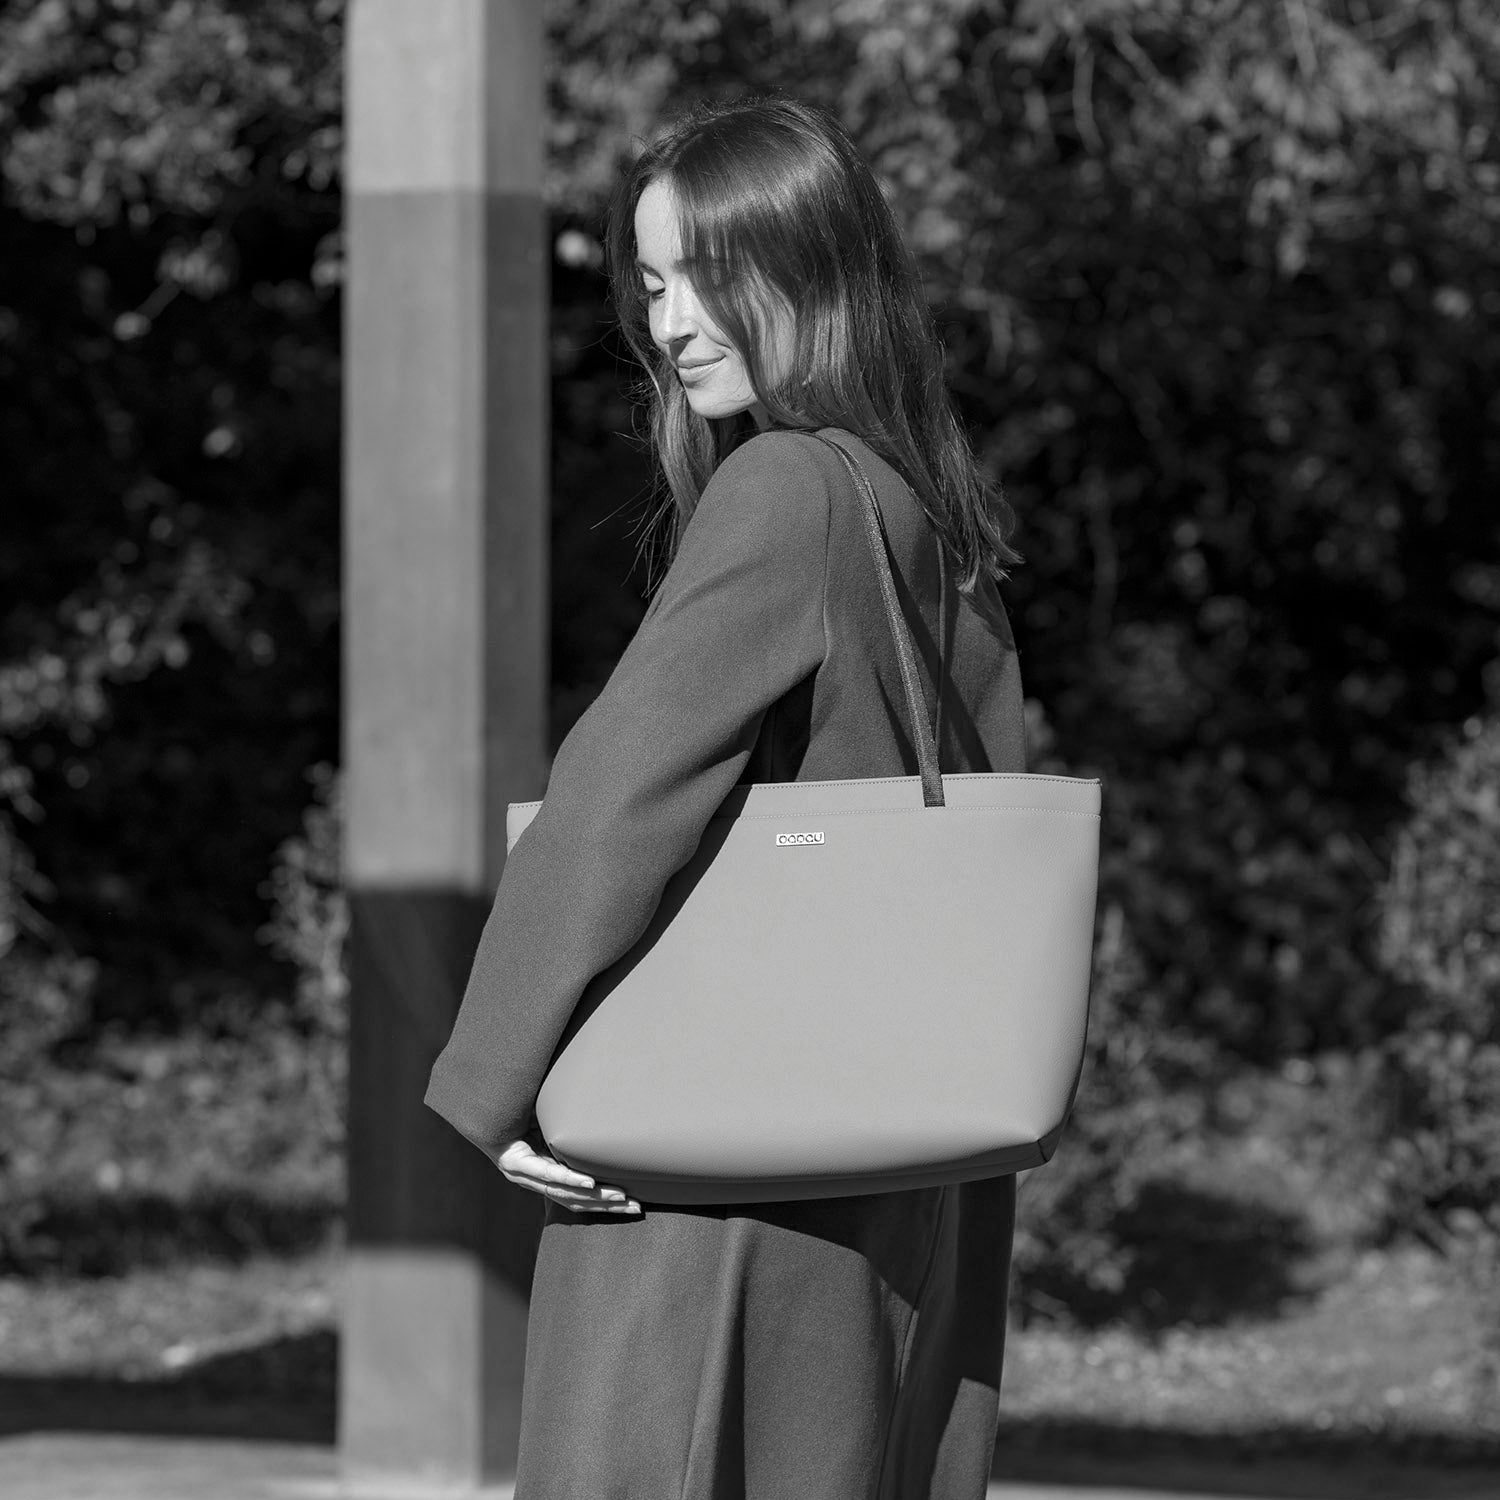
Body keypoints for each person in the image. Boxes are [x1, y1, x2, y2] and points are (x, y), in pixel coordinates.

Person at [424, 95, 1029, 1500]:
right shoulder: (925, 513)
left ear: (814, 268)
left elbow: (618, 792)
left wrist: (491, 1076)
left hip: (720, 1180)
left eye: (710, 275)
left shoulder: (785, 490)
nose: (673, 322)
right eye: (652, 284)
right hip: (893, 1172)